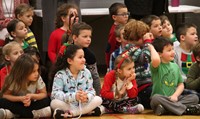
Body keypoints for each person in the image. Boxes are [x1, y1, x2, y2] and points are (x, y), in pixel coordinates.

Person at [150, 36, 200, 116]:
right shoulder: (157, 65)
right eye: (169, 50)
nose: (173, 52)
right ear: (159, 54)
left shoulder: (175, 66)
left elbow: (181, 84)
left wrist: (175, 95)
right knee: (155, 98)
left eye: (173, 49)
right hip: (161, 99)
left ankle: (166, 109)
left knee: (194, 98)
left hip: (174, 98)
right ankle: (186, 110)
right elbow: (155, 59)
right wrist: (151, 47)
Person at [50, 44, 103, 119]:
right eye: (80, 57)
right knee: (54, 103)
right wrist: (74, 97)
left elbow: (91, 91)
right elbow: (55, 94)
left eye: (83, 57)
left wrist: (86, 97)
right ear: (70, 61)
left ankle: (73, 113)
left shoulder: (87, 72)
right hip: (68, 104)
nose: (84, 60)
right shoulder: (60, 74)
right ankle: (85, 112)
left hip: (83, 104)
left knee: (98, 99)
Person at [0, 54, 51, 118]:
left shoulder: (37, 77)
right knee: (2, 101)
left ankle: (13, 114)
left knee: (47, 100)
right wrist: (20, 99)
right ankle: (34, 114)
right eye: (33, 71)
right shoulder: (13, 79)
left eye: (37, 70)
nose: (36, 74)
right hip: (17, 102)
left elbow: (44, 94)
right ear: (23, 72)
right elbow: (5, 95)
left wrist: (31, 96)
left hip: (31, 103)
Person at [123, 19, 158, 109]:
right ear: (137, 36)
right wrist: (148, 43)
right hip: (141, 88)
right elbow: (145, 57)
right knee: (158, 95)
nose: (146, 37)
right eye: (144, 35)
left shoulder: (141, 47)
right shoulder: (130, 49)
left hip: (150, 84)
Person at [62, 22, 101, 96]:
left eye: (90, 37)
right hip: (66, 92)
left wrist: (98, 95)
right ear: (75, 37)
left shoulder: (90, 56)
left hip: (84, 93)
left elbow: (95, 77)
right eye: (85, 36)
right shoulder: (65, 52)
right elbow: (57, 71)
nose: (88, 39)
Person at [105, 2, 129, 69]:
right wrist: (108, 66)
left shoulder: (125, 27)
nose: (126, 16)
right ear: (114, 17)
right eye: (123, 14)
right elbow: (109, 50)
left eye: (127, 13)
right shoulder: (114, 32)